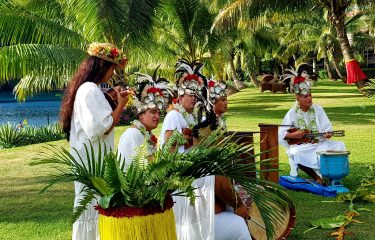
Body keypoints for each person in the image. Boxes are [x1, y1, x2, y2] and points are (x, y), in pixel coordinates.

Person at [59, 42, 131, 240]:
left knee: (92, 206)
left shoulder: (88, 89)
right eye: (112, 68)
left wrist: (111, 97)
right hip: (92, 164)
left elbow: (97, 116)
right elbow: (103, 126)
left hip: (91, 162)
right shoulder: (89, 90)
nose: (112, 73)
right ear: (102, 66)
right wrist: (122, 105)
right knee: (91, 206)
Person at [194, 79, 252, 240]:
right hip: (209, 186)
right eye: (223, 100)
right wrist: (238, 204)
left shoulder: (219, 123)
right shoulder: (205, 129)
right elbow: (213, 168)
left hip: (219, 180)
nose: (227, 102)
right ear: (212, 103)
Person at [279, 73, 346, 184]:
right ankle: (316, 177)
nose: (309, 98)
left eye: (310, 95)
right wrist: (294, 135)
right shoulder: (292, 113)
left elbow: (326, 127)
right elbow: (281, 134)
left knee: (339, 145)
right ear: (298, 98)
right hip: (303, 146)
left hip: (319, 143)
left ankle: (332, 175)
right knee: (296, 153)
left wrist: (327, 134)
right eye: (306, 97)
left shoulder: (318, 109)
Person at [118, 69, 171, 169]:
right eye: (153, 112)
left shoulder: (144, 134)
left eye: (159, 113)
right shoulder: (134, 134)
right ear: (141, 115)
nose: (157, 116)